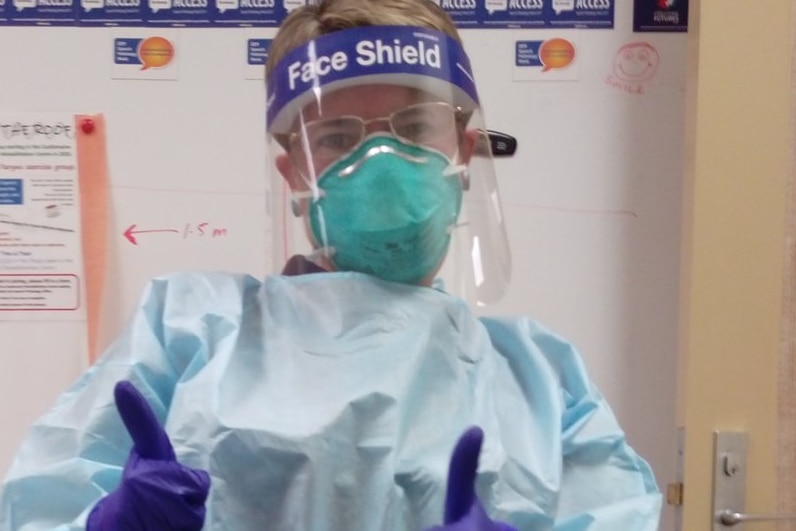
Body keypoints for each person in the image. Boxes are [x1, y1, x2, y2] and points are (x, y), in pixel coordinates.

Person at [0, 0, 662, 529]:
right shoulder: (186, 331)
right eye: (338, 138)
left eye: (414, 128)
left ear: (463, 152)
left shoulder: (545, 383)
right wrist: (106, 524)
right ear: (293, 172)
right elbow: (38, 507)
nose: (379, 166)